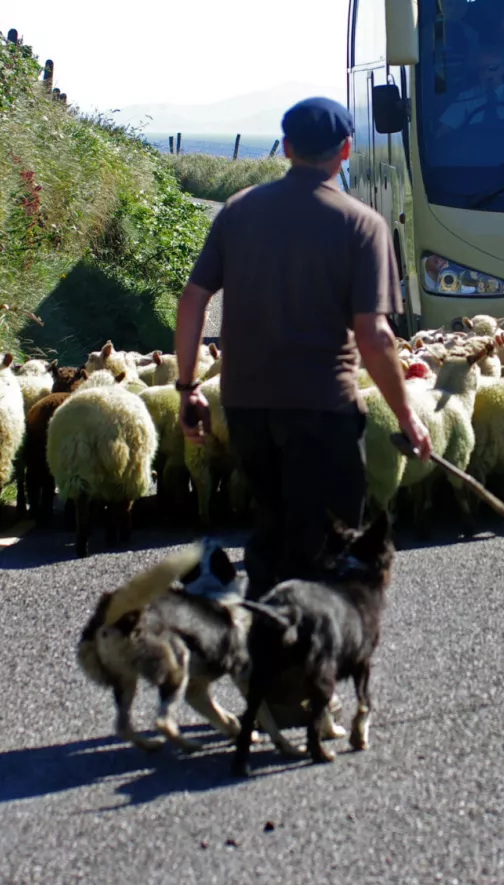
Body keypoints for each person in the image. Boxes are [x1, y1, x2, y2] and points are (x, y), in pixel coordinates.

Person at [174, 98, 431, 598]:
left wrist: (188, 388)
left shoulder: (238, 210)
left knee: (272, 530)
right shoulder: (361, 224)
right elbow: (374, 337)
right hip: (322, 410)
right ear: (346, 151)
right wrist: (407, 416)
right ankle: (309, 655)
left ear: (287, 147)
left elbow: (192, 301)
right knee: (330, 549)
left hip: (246, 406)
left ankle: (268, 642)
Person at [437, 46, 504, 133]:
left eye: (492, 68)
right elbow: (444, 131)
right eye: (481, 69)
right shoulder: (466, 99)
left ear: (503, 68)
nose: (486, 73)